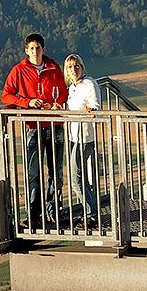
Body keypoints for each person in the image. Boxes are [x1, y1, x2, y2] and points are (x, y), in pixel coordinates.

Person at [0, 32, 66, 222]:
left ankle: (53, 211)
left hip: (55, 125)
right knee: (33, 173)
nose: (35, 51)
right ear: (26, 51)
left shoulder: (54, 68)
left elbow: (62, 92)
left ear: (43, 49)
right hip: (32, 127)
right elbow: (6, 96)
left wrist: (56, 103)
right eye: (31, 49)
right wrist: (27, 102)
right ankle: (34, 215)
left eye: (38, 48)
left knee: (56, 173)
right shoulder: (19, 70)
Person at [61, 54, 101, 223]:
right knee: (79, 177)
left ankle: (91, 214)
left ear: (82, 67)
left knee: (75, 179)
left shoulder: (89, 84)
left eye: (76, 66)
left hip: (84, 137)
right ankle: (90, 211)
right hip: (72, 135)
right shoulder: (72, 87)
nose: (73, 69)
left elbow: (96, 108)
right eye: (70, 67)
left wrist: (90, 111)